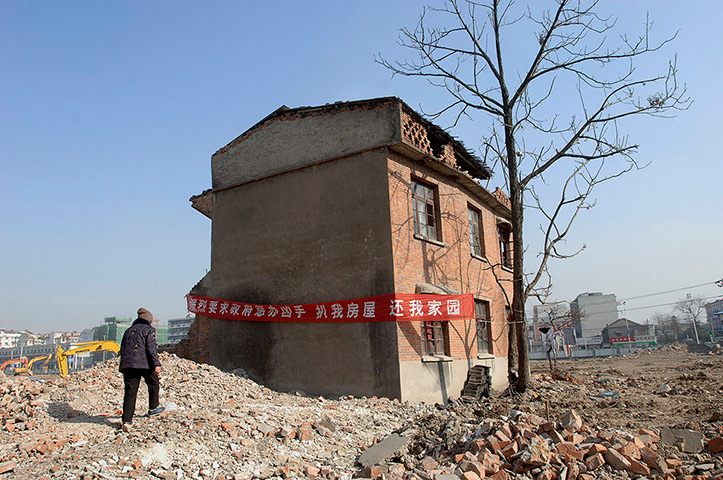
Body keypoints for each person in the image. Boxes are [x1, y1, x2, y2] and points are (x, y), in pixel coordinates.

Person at [119, 307, 164, 430]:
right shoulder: (148, 330)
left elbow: (122, 348)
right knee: (153, 383)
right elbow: (151, 348)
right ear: (148, 320)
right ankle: (153, 407)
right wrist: (156, 363)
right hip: (144, 364)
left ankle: (127, 420)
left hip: (128, 365)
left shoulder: (128, 331)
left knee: (130, 392)